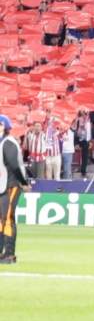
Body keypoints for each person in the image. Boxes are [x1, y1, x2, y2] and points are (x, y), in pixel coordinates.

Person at [0, 112, 27, 265]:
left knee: (8, 217)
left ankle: (9, 255)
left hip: (12, 184)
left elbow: (14, 165)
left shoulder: (8, 142)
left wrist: (23, 182)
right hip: (3, 185)